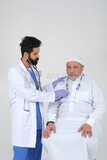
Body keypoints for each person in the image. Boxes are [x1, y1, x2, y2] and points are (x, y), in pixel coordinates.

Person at [8, 36, 69, 160]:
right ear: (26, 54)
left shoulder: (34, 71)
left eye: (38, 53)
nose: (38, 56)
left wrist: (53, 85)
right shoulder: (15, 72)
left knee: (35, 158)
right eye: (35, 53)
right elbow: (29, 94)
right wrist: (54, 95)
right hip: (24, 125)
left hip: (38, 124)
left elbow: (38, 91)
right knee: (21, 157)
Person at [43, 56, 105, 160]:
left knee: (89, 141)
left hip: (84, 121)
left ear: (82, 68)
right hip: (62, 121)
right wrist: (50, 122)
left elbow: (100, 105)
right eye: (69, 67)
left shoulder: (91, 83)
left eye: (75, 67)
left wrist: (89, 123)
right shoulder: (60, 84)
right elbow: (53, 106)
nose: (71, 71)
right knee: (47, 139)